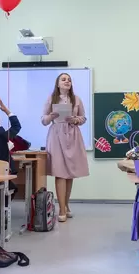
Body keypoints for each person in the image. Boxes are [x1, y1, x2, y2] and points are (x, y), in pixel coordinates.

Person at [42, 73, 89, 222]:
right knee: (60, 172)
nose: (67, 81)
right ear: (57, 84)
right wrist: (52, 116)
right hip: (56, 136)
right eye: (63, 79)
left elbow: (83, 118)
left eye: (69, 80)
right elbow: (43, 120)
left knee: (70, 173)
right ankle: (61, 209)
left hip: (73, 135)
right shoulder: (51, 98)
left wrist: (75, 119)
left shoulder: (77, 99)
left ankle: (66, 205)